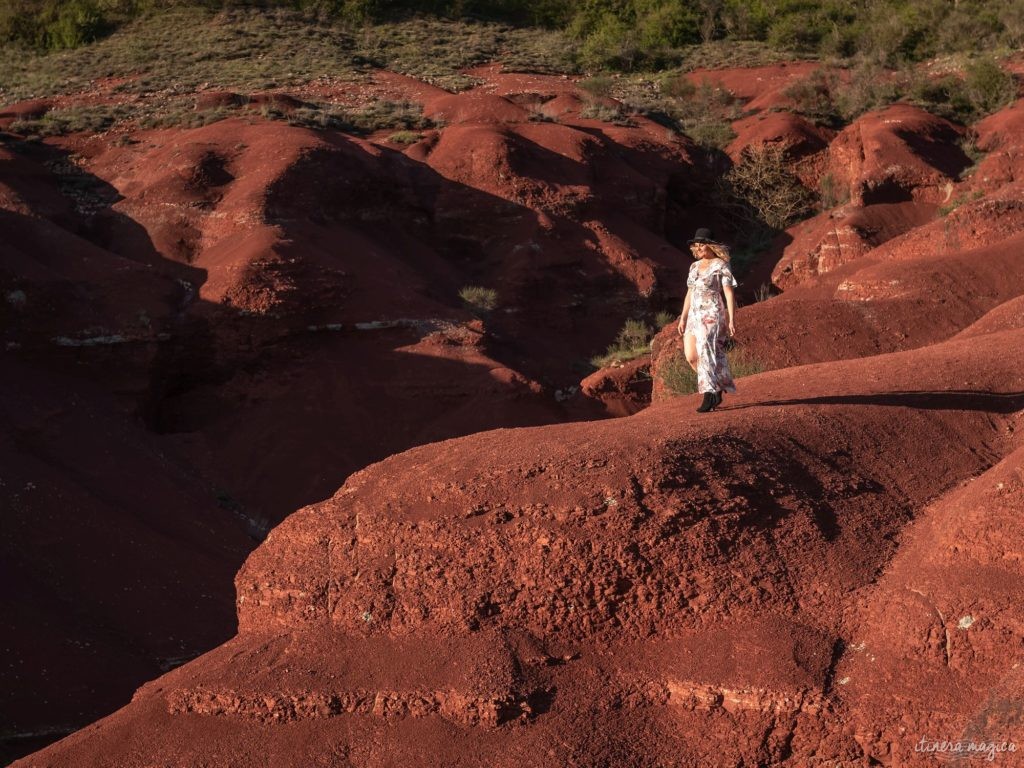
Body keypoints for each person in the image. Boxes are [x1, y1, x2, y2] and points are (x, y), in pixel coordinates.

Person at [676, 227, 738, 413]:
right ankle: (717, 387)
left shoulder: (721, 265)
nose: (698, 246)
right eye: (697, 244)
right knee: (691, 356)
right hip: (694, 315)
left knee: (706, 352)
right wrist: (683, 317)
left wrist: (731, 320)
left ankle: (709, 395)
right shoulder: (694, 267)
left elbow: (728, 293)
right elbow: (689, 292)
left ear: (711, 245)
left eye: (702, 243)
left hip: (711, 313)